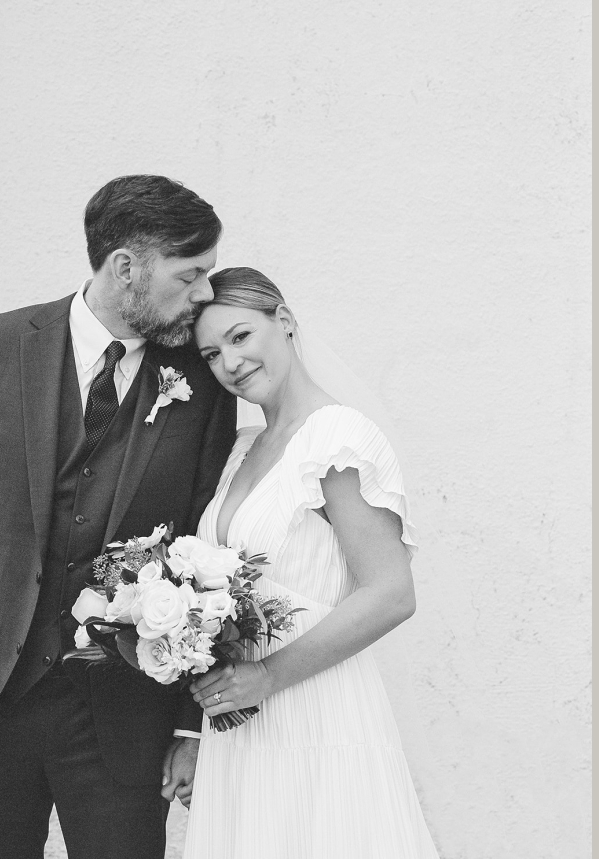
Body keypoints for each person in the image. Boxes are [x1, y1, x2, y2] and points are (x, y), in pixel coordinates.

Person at [0, 176, 238, 858]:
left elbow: (211, 538)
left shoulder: (200, 382)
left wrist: (188, 725)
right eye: (190, 274)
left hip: (124, 711)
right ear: (126, 268)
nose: (203, 294)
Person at [181, 267, 437, 858]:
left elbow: (392, 592)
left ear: (286, 321)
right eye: (212, 353)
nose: (229, 363)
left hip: (315, 710)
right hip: (240, 723)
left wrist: (267, 677)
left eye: (241, 337)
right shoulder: (243, 447)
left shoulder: (338, 436)